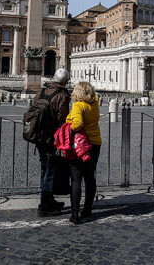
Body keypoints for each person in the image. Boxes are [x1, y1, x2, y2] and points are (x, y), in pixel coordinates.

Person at [34, 68, 71, 217]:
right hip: (52, 138)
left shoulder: (41, 92)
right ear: (65, 81)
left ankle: (50, 199)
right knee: (50, 170)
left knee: (45, 168)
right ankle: (44, 205)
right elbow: (63, 119)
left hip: (39, 136)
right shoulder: (62, 96)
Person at [67, 81, 102, 224]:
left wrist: (67, 128)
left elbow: (78, 124)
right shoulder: (94, 105)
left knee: (76, 178)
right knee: (89, 177)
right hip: (95, 143)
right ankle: (88, 209)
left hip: (80, 145)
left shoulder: (78, 105)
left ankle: (75, 212)